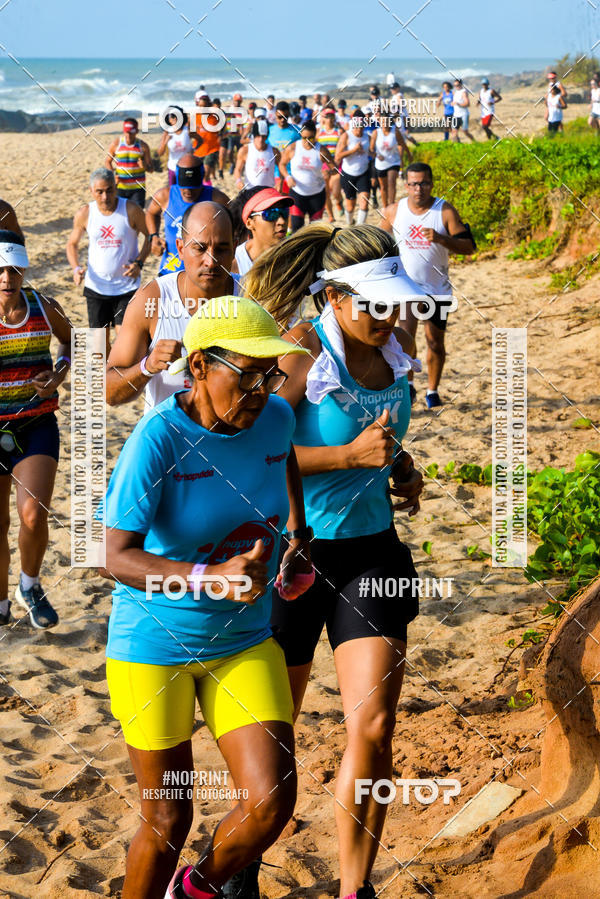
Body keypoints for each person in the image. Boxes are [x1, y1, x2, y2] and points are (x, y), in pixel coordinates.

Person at [102, 295, 313, 899]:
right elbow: (115, 556)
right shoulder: (158, 438)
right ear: (198, 367)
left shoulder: (274, 416)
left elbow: (284, 458)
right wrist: (209, 577)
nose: (260, 389)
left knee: (271, 801)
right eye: (245, 373)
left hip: (242, 640)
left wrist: (297, 535)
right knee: (168, 820)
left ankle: (193, 891)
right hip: (154, 646)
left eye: (269, 373)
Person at [245, 223, 425, 899]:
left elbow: (382, 436)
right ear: (336, 296)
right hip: (296, 554)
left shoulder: (395, 349)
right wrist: (350, 458)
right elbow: (256, 455)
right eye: (375, 304)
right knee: (273, 732)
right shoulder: (299, 354)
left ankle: (356, 887)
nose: (389, 316)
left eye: (395, 303)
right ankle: (242, 867)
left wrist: (399, 467)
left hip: (372, 554)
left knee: (375, 726)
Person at [0, 231, 72, 629]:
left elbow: (73, 342)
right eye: (0, 269)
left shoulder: (43, 307)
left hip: (35, 423)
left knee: (32, 516)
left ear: (24, 269)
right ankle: (1, 600)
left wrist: (58, 374)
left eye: (13, 269)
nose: (6, 277)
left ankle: (29, 586)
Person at [106, 201, 239, 412]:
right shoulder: (152, 299)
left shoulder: (253, 296)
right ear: (180, 249)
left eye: (222, 248)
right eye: (200, 248)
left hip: (234, 440)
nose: (211, 261)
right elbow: (110, 392)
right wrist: (147, 367)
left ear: (235, 248)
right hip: (171, 442)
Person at [381, 162, 476, 408]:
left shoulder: (444, 210)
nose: (418, 189)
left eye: (423, 183)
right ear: (406, 185)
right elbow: (376, 245)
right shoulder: (394, 211)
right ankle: (410, 386)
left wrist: (443, 238)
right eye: (413, 184)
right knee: (406, 340)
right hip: (407, 288)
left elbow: (469, 248)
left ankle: (432, 391)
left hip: (437, 289)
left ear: (431, 184)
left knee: (435, 342)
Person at [66, 168, 149, 351]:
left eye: (109, 190)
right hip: (96, 287)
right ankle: (106, 377)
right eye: (100, 192)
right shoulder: (85, 213)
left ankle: (124, 376)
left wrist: (139, 263)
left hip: (126, 287)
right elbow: (72, 244)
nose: (105, 197)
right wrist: (75, 268)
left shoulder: (131, 210)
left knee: (126, 341)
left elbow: (150, 237)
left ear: (116, 187)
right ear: (91, 191)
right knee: (99, 345)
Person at [145, 155, 229, 277]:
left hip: (205, 272)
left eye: (193, 187)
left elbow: (236, 227)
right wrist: (154, 236)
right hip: (171, 271)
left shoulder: (217, 199)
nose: (188, 191)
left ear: (202, 177)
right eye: (184, 187)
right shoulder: (165, 196)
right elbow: (151, 213)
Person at [280, 119, 335, 232]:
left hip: (316, 195)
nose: (307, 141)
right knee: (296, 228)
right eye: (304, 138)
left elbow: (335, 168)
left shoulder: (321, 151)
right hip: (297, 194)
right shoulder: (293, 148)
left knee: (313, 231)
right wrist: (287, 177)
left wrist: (329, 172)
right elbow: (282, 164)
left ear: (315, 136)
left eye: (310, 138)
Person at [229, 186, 292, 276]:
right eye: (271, 214)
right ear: (249, 223)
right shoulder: (234, 266)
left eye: (284, 212)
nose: (281, 221)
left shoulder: (296, 256)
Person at [105, 118, 153, 209]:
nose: (128, 135)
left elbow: (151, 169)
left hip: (138, 189)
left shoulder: (143, 146)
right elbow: (108, 161)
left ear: (137, 131)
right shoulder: (116, 144)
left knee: (137, 215)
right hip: (120, 187)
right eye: (126, 132)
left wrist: (145, 166)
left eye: (131, 132)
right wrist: (112, 175)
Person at [370, 115, 411, 208]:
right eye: (383, 121)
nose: (385, 124)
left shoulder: (395, 132)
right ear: (380, 122)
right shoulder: (376, 133)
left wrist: (409, 155)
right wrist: (376, 155)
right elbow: (371, 149)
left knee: (391, 181)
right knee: (383, 186)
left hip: (393, 162)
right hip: (380, 164)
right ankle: (385, 207)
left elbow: (402, 143)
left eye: (387, 121)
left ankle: (391, 205)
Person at [335, 119, 371, 225]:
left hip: (363, 173)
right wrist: (354, 150)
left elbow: (373, 152)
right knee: (350, 206)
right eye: (357, 127)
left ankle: (359, 228)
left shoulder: (367, 137)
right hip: (348, 174)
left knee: (364, 202)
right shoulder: (346, 136)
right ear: (353, 127)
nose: (359, 130)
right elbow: (338, 155)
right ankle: (350, 224)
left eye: (361, 127)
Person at [233, 120, 281, 191]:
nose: (261, 139)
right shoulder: (245, 150)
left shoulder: (274, 151)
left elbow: (282, 168)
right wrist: (238, 181)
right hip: (250, 191)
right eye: (258, 136)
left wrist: (280, 182)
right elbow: (238, 169)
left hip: (269, 191)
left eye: (263, 136)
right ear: (254, 136)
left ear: (267, 136)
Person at [317, 108, 343, 222]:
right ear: (323, 118)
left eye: (331, 116)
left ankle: (338, 201)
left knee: (335, 190)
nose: (329, 118)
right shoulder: (319, 131)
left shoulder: (338, 131)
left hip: (337, 163)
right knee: (326, 192)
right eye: (327, 116)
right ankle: (331, 216)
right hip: (323, 165)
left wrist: (336, 162)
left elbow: (342, 146)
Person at [157, 108, 195, 186]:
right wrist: (165, 142)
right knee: (173, 191)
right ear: (170, 120)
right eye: (172, 118)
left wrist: (194, 150)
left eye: (176, 117)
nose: (174, 119)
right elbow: (160, 153)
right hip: (173, 167)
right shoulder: (167, 132)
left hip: (187, 167)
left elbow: (200, 140)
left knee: (187, 189)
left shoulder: (187, 130)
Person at [192, 92, 221, 183]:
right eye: (201, 106)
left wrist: (221, 137)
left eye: (205, 106)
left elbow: (224, 129)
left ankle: (206, 195)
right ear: (197, 104)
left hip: (211, 150)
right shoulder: (194, 116)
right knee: (197, 176)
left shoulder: (215, 116)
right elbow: (188, 132)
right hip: (198, 150)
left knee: (205, 175)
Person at [220, 92, 244, 176]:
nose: (237, 102)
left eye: (239, 101)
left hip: (238, 135)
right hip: (230, 135)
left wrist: (242, 135)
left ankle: (238, 168)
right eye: (236, 101)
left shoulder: (242, 111)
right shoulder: (229, 109)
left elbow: (242, 124)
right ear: (233, 101)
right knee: (229, 152)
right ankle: (232, 164)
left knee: (239, 153)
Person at [389, 82, 419, 147]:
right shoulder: (394, 96)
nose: (392, 90)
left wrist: (406, 125)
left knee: (404, 134)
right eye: (391, 89)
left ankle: (416, 145)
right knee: (403, 135)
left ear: (398, 89)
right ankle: (416, 145)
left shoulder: (399, 95)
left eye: (393, 89)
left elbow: (400, 107)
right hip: (399, 118)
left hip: (402, 118)